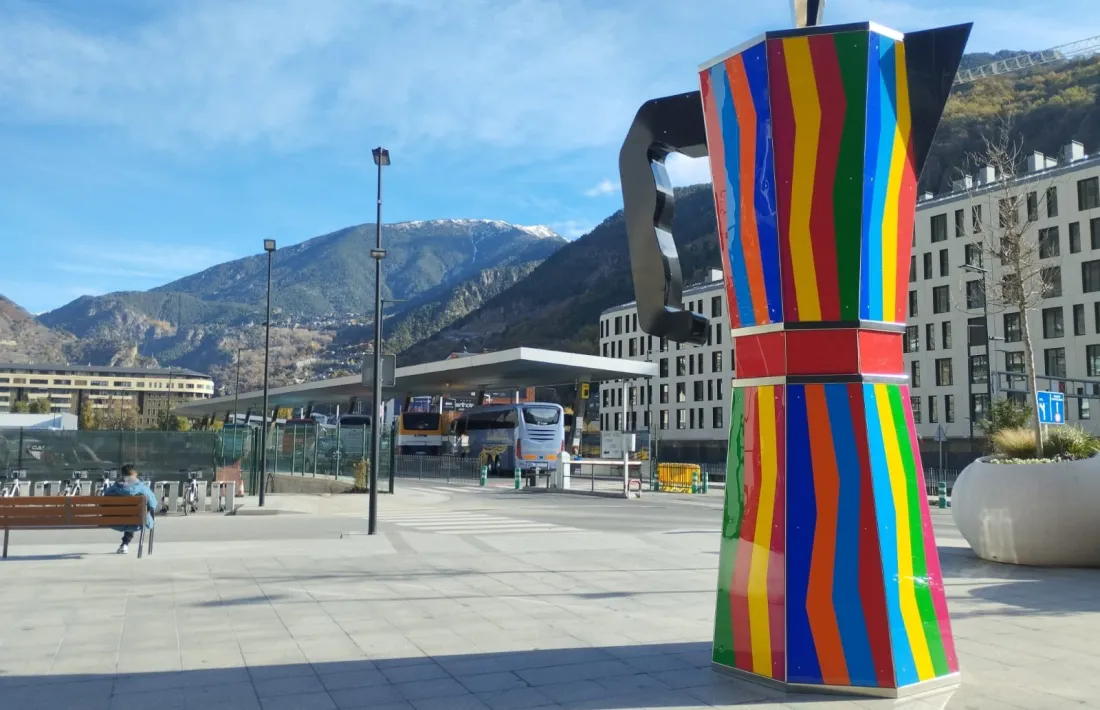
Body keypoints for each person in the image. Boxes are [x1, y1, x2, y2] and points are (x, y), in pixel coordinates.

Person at [103, 464, 158, 555]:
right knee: (135, 515)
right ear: (134, 474)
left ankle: (124, 544)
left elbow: (103, 503)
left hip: (114, 521)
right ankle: (125, 544)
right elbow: (153, 505)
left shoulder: (111, 489)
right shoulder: (142, 487)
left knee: (130, 515)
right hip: (136, 521)